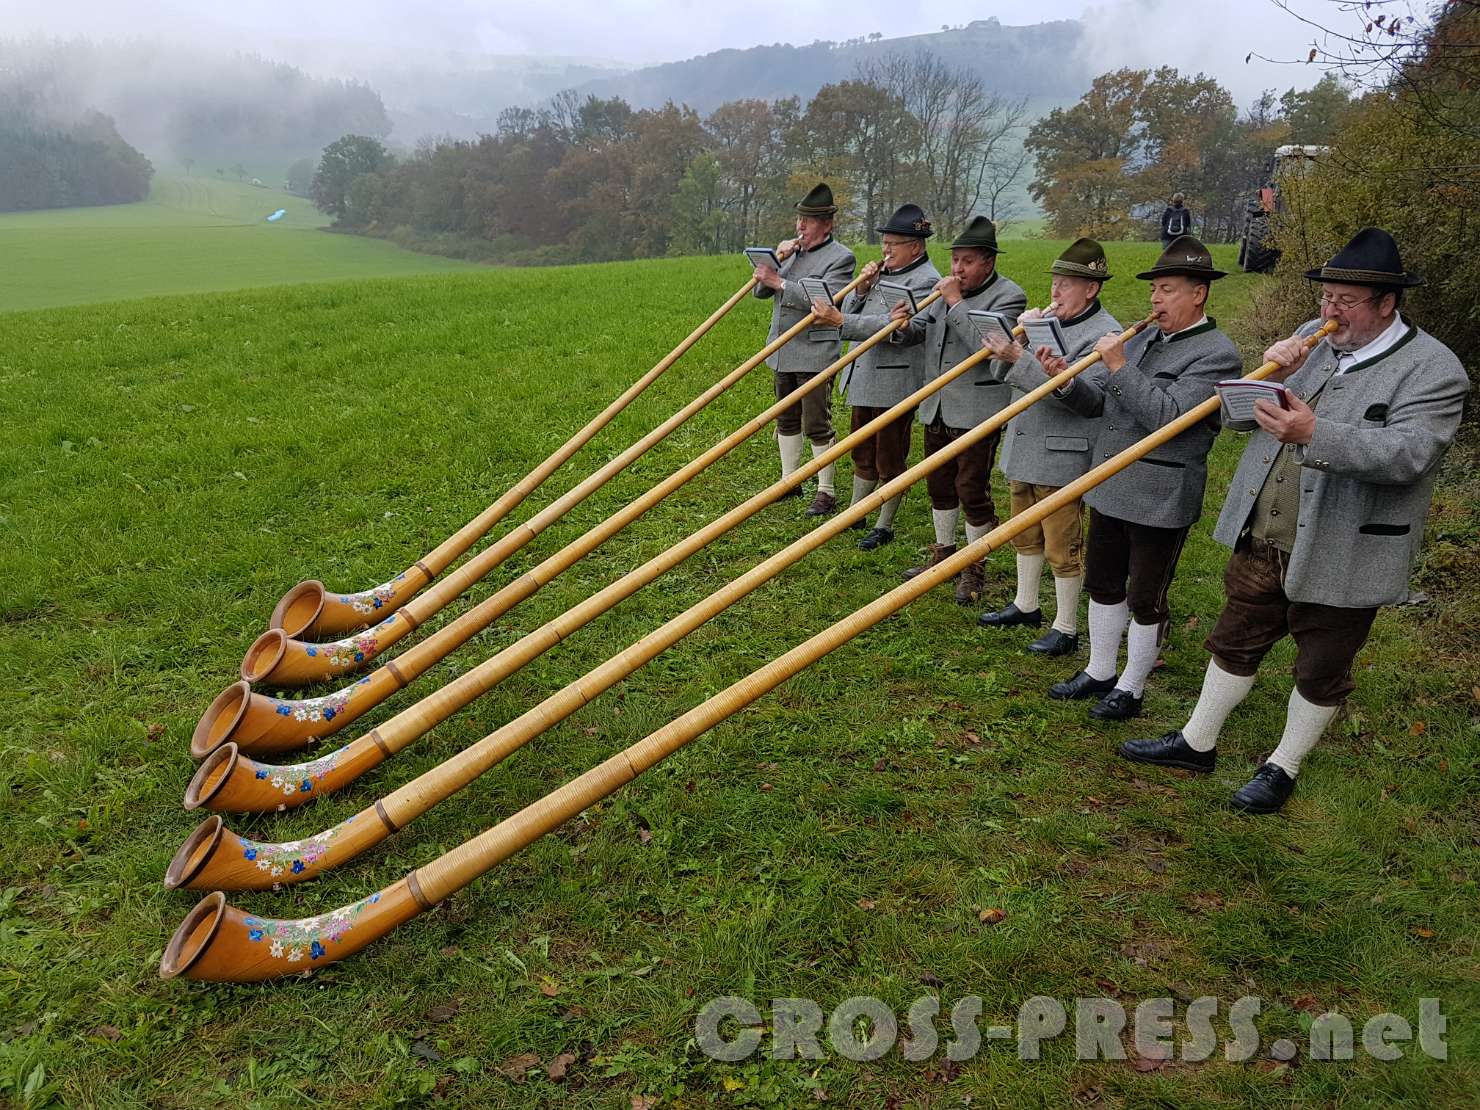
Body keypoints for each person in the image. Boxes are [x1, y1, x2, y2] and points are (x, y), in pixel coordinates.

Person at [1118, 227, 1468, 813]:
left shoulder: (1434, 370)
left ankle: (1284, 765)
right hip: (1266, 530)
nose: (1330, 312)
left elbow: (1410, 454)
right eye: (1326, 297)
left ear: (1387, 303)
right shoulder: (1312, 337)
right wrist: (1270, 375)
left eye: (1345, 301)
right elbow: (1236, 419)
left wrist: (1314, 433)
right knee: (1234, 638)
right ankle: (1196, 743)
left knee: (1321, 664)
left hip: (1347, 546)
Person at [1046, 235, 1241, 720]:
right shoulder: (1143, 338)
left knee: (1144, 597)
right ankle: (1099, 670)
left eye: (1167, 289)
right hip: (1111, 481)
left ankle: (1131, 688)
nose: (1155, 299)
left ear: (1199, 293)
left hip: (1161, 493)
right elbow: (1099, 404)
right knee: (1103, 583)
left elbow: (1167, 416)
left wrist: (1118, 365)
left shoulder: (1217, 354)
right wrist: (1065, 382)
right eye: (1154, 289)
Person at [976, 238, 1121, 656]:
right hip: (1026, 441)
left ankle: (1066, 626)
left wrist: (1019, 356)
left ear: (1091, 289)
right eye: (1055, 282)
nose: (1055, 292)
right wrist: (1015, 342)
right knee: (1024, 530)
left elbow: (1089, 400)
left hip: (1064, 451)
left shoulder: (1105, 334)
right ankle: (1026, 604)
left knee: (1062, 542)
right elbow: (1000, 371)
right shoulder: (1045, 321)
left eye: (1065, 285)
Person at [890, 216, 1027, 604]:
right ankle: (944, 552)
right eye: (955, 260)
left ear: (988, 262)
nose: (958, 269)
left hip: (977, 408)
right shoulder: (945, 292)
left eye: (967, 261)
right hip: (937, 403)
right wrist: (903, 325)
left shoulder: (1008, 296)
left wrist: (955, 302)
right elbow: (922, 331)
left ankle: (974, 565)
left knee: (971, 488)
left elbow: (989, 346)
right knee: (939, 483)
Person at [810, 203, 939, 546]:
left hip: (895, 382)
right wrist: (863, 289)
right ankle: (857, 511)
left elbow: (900, 329)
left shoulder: (926, 281)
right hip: (865, 376)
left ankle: (884, 524)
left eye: (893, 244)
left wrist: (841, 321)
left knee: (889, 455)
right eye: (884, 243)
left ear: (916, 246)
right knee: (861, 450)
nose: (886, 250)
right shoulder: (884, 273)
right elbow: (856, 313)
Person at [751, 183, 858, 516]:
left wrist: (779, 282)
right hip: (782, 349)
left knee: (816, 422)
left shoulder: (841, 258)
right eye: (799, 219)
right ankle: (789, 481)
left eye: (808, 221)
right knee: (785, 418)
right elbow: (760, 293)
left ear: (827, 224)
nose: (801, 226)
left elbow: (824, 302)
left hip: (814, 352)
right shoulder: (790, 252)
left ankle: (826, 491)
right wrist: (774, 262)